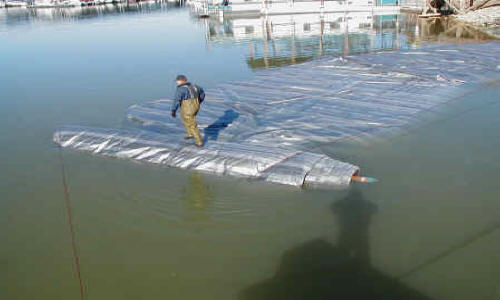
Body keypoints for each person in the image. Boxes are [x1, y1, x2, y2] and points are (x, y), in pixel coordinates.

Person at [171, 75, 205, 147]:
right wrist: (199, 101)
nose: (177, 82)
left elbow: (177, 100)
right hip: (195, 106)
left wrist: (173, 110)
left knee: (192, 124)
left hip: (187, 108)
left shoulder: (180, 89)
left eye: (177, 80)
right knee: (184, 118)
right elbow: (202, 93)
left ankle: (199, 141)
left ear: (182, 81)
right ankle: (190, 134)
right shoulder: (195, 86)